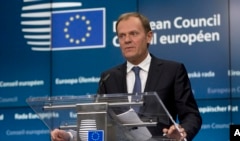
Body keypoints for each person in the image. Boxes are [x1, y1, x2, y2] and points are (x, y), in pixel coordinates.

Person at [51, 12, 202, 141]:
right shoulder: (108, 77)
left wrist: (181, 133)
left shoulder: (172, 70)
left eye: (133, 34)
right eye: (121, 36)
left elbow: (191, 115)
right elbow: (95, 121)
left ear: (149, 37)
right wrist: (70, 135)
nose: (127, 40)